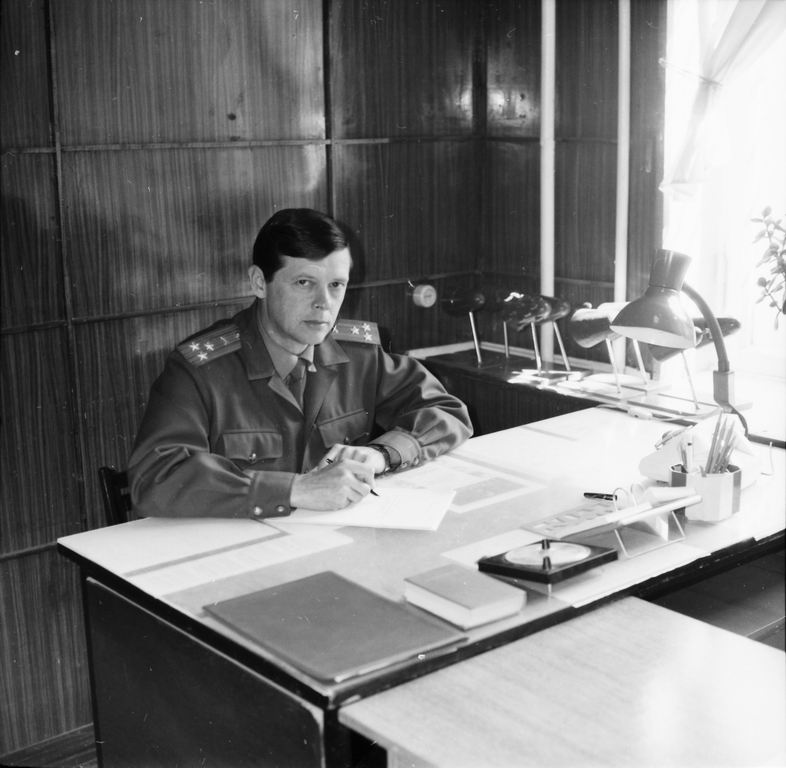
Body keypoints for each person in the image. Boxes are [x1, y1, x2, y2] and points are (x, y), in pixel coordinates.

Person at [128, 208, 473, 520]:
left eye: (336, 285)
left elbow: (446, 411)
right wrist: (294, 490)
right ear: (260, 283)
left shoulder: (359, 354)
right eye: (304, 283)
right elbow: (155, 478)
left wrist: (382, 454)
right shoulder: (201, 370)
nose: (324, 303)